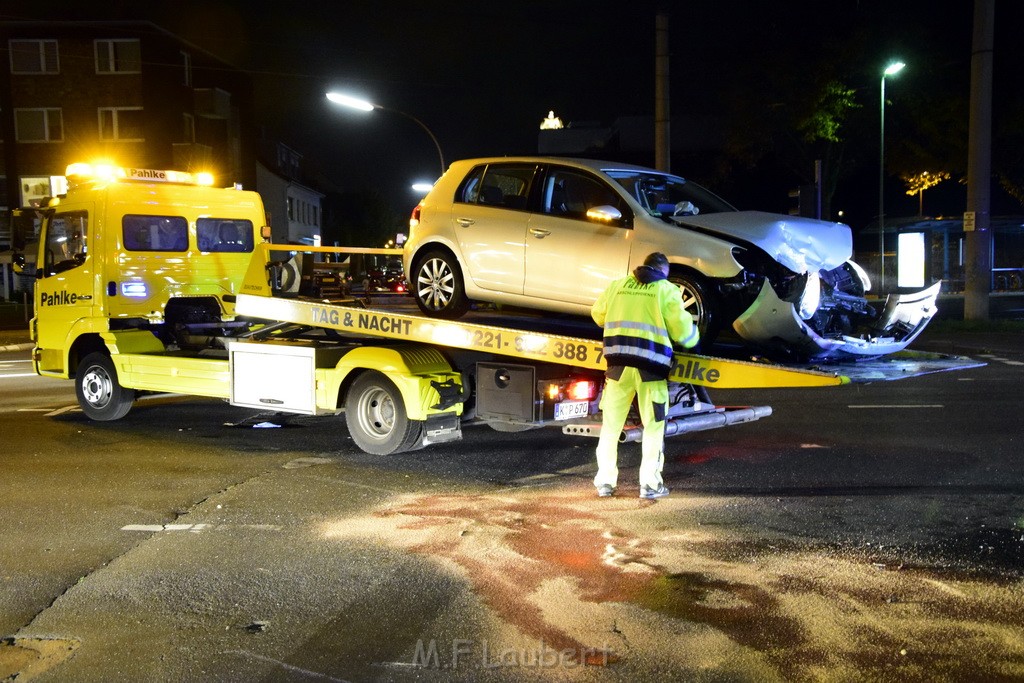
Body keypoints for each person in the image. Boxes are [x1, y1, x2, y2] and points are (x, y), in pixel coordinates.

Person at [590, 252, 700, 499]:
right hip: (651, 369)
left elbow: (598, 315)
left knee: (610, 426)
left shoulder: (617, 285)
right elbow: (683, 333)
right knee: (653, 427)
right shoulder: (666, 290)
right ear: (663, 272)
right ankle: (650, 485)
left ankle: (605, 483)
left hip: (617, 367)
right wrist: (696, 339)